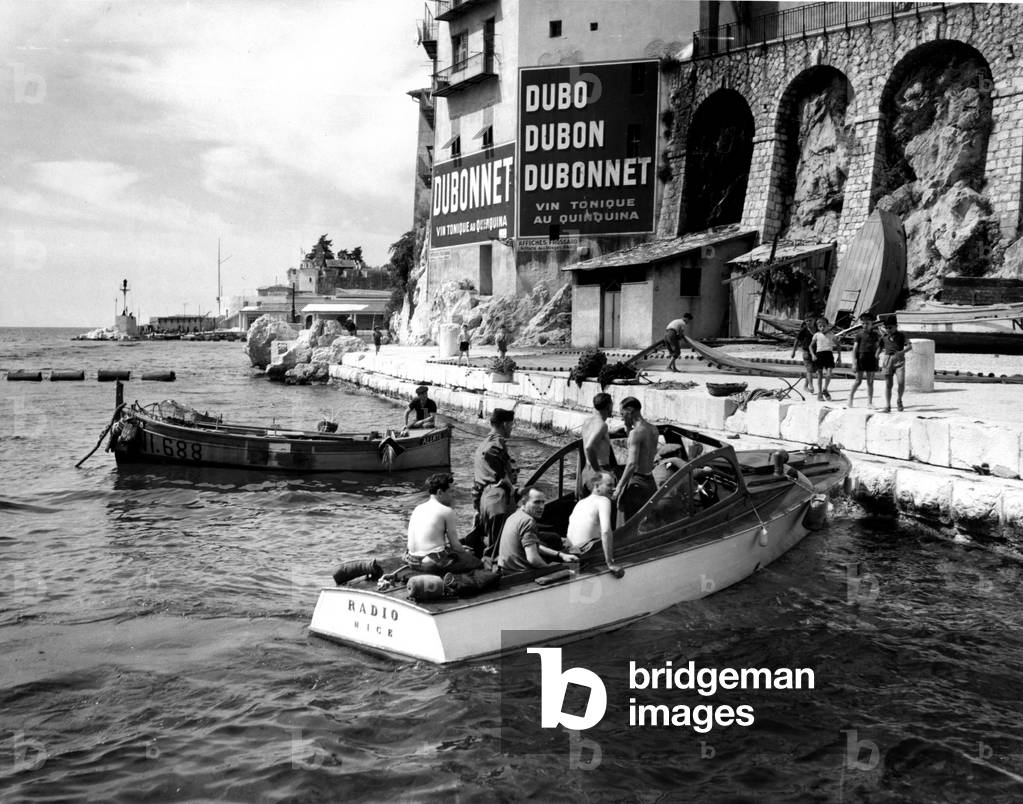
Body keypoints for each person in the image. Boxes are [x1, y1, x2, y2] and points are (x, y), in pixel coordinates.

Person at [405, 472, 481, 574]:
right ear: (440, 492)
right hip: (430, 562)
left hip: (411, 560)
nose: (454, 495)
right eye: (451, 492)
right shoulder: (446, 511)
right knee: (476, 563)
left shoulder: (418, 508)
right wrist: (466, 553)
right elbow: (456, 546)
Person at [498, 486, 579, 572]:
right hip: (521, 575)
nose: (541, 507)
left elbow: (534, 546)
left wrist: (560, 555)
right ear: (523, 502)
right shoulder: (528, 521)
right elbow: (533, 559)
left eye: (543, 502)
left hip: (505, 569)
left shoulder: (513, 516)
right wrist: (554, 570)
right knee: (576, 569)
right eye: (536, 502)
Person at [472, 407, 518, 552]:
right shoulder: (496, 444)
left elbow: (477, 481)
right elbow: (498, 470)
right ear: (505, 424)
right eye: (511, 425)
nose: (512, 428)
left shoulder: (483, 444)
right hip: (497, 501)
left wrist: (477, 508)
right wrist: (510, 486)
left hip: (485, 500)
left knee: (493, 546)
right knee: (500, 550)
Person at [564, 471, 623, 576]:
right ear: (597, 486)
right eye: (609, 485)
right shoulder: (603, 500)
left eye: (614, 485)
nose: (613, 488)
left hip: (571, 554)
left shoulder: (580, 503)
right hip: (587, 556)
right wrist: (609, 563)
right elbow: (605, 531)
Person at [613, 397, 659, 522]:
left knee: (626, 524)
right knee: (645, 524)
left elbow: (632, 463)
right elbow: (644, 451)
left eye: (622, 414)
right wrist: (628, 429)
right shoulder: (654, 429)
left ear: (630, 411)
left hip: (636, 484)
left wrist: (619, 487)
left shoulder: (636, 433)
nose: (622, 418)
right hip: (650, 481)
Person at [581, 392, 621, 487]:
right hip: (599, 469)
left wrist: (611, 433)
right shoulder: (602, 425)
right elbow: (589, 447)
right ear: (609, 406)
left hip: (587, 470)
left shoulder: (587, 421)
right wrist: (598, 470)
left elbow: (593, 437)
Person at [878, 316, 912, 413]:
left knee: (901, 382)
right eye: (887, 328)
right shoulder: (884, 337)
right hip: (887, 360)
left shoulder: (902, 336)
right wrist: (876, 355)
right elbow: (880, 347)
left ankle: (899, 400)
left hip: (899, 360)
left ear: (896, 326)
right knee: (888, 384)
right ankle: (887, 406)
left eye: (890, 327)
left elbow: (910, 346)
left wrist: (902, 352)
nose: (888, 330)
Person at [848, 312, 881, 408]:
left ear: (872, 324)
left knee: (870, 382)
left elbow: (877, 347)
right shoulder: (859, 335)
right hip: (861, 358)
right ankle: (850, 397)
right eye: (863, 323)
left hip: (871, 359)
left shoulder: (875, 335)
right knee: (858, 381)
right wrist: (854, 362)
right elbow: (854, 349)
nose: (865, 325)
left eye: (867, 323)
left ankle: (869, 402)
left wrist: (877, 361)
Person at [809, 317, 840, 402]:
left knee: (829, 374)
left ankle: (825, 389)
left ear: (828, 326)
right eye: (820, 326)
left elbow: (838, 345)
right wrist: (812, 355)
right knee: (819, 375)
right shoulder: (817, 335)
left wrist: (839, 356)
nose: (822, 328)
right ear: (818, 327)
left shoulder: (831, 334)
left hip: (828, 354)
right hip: (819, 355)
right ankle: (819, 393)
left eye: (824, 326)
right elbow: (810, 346)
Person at [790, 316, 816, 395]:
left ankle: (805, 386)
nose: (808, 322)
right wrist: (793, 351)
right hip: (806, 352)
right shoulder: (803, 330)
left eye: (810, 320)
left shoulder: (818, 329)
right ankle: (811, 385)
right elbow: (797, 340)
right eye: (807, 321)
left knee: (813, 370)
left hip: (815, 353)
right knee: (809, 369)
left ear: (814, 320)